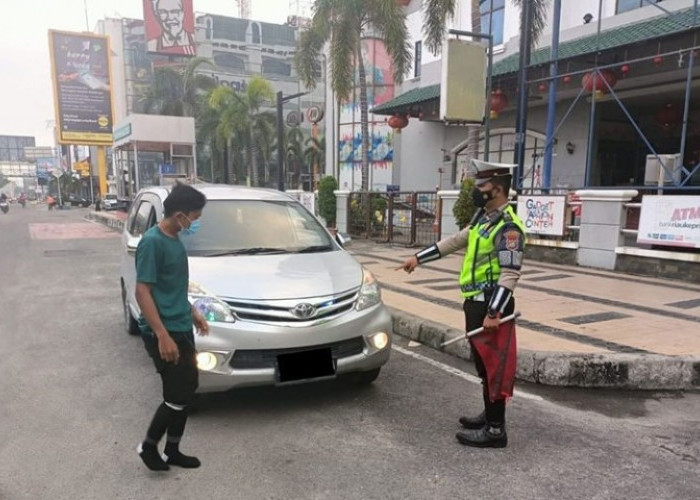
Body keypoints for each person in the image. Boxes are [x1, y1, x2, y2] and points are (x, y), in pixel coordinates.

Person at [398, 159, 526, 449]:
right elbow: (455, 241)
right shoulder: (485, 219)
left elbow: (510, 274)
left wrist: (494, 311)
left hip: (493, 308)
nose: (476, 189)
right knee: (484, 365)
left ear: (497, 188)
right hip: (475, 304)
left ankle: (496, 430)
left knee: (494, 367)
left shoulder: (508, 229)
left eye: (481, 184)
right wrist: (418, 258)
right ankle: (490, 415)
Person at [135, 183, 209, 471]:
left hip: (180, 324)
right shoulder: (152, 242)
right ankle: (148, 447)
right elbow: (144, 291)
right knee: (177, 394)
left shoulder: (174, 240)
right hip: (164, 331)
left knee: (187, 389)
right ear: (180, 215)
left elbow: (172, 288)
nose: (196, 223)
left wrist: (193, 313)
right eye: (195, 217)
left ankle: (172, 450)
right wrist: (162, 335)